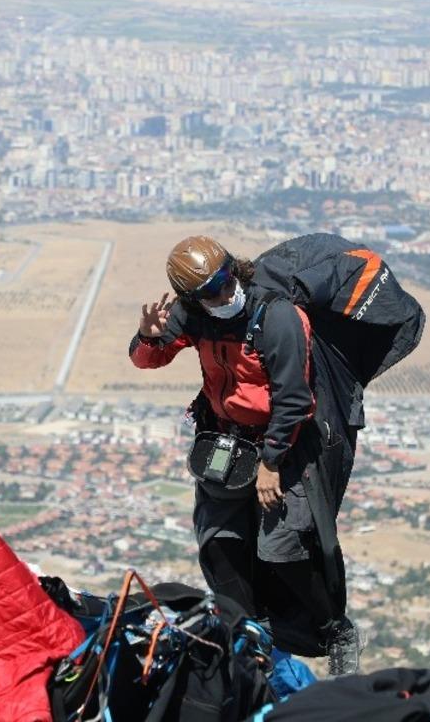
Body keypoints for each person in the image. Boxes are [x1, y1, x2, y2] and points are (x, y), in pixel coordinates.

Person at [128, 235, 362, 676]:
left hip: (284, 445)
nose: (224, 293)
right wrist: (148, 338)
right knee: (221, 545)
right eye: (211, 290)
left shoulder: (276, 317)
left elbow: (294, 399)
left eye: (226, 279)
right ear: (192, 298)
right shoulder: (195, 315)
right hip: (227, 442)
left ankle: (336, 630)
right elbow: (148, 360)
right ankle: (252, 637)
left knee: (282, 550)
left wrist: (271, 464)